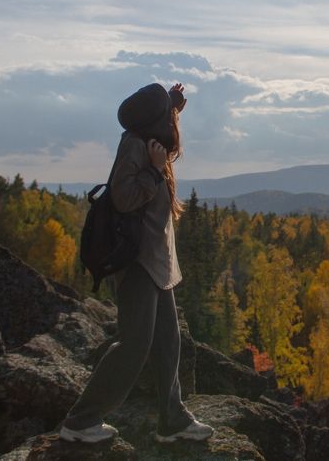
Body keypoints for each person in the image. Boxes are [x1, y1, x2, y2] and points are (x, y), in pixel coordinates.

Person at [59, 82, 214, 444]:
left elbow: (161, 141)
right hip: (139, 261)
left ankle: (173, 421)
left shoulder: (148, 137)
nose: (170, 121)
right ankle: (80, 421)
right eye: (166, 114)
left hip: (156, 260)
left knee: (168, 341)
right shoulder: (135, 144)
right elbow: (123, 196)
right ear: (153, 121)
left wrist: (173, 105)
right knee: (134, 344)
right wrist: (154, 171)